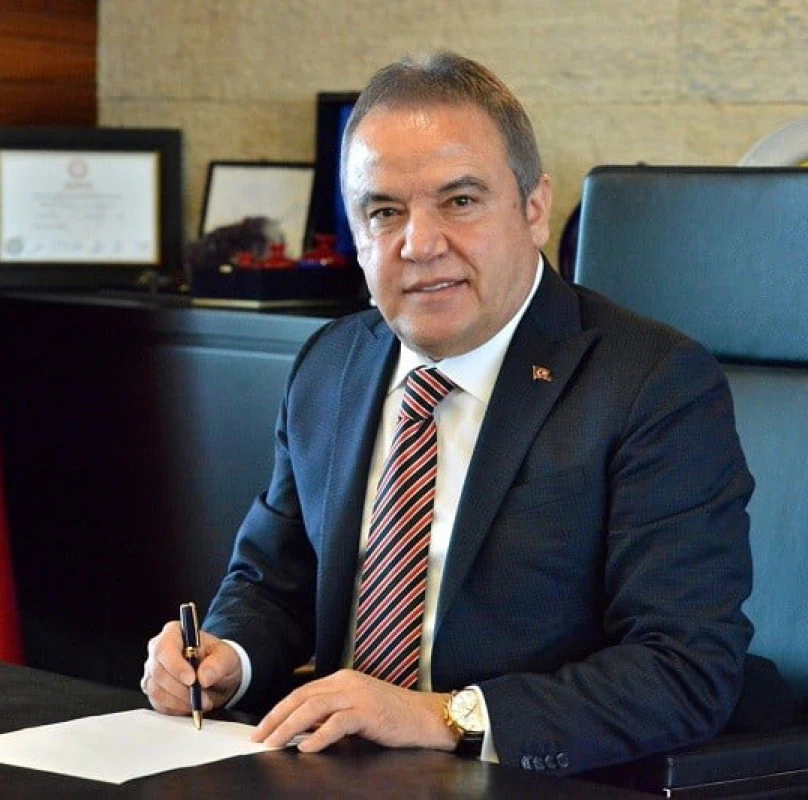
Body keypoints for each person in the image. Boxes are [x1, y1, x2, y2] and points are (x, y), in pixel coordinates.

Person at [140, 51, 753, 774]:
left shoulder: (651, 383)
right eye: (384, 212)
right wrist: (225, 660)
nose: (420, 244)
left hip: (521, 776)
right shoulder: (330, 365)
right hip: (331, 772)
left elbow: (685, 667)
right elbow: (274, 583)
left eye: (460, 202)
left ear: (533, 209)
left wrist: (443, 715)